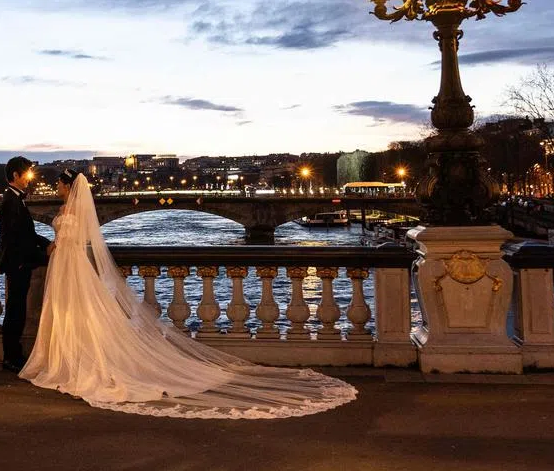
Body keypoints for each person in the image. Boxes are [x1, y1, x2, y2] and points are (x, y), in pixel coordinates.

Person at [18, 169, 357, 419]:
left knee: (69, 310)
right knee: (79, 311)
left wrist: (53, 246)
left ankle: (68, 358)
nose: (60, 189)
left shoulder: (67, 213)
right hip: (70, 263)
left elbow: (68, 240)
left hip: (66, 263)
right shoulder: (73, 212)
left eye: (61, 184)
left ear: (67, 187)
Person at [0, 156, 52, 372]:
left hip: (18, 263)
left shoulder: (15, 199)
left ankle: (13, 355)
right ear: (15, 176)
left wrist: (46, 244)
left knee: (17, 310)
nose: (29, 178)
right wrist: (42, 255)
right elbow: (16, 239)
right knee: (15, 312)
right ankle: (11, 357)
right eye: (26, 174)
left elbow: (27, 233)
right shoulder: (11, 201)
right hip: (18, 264)